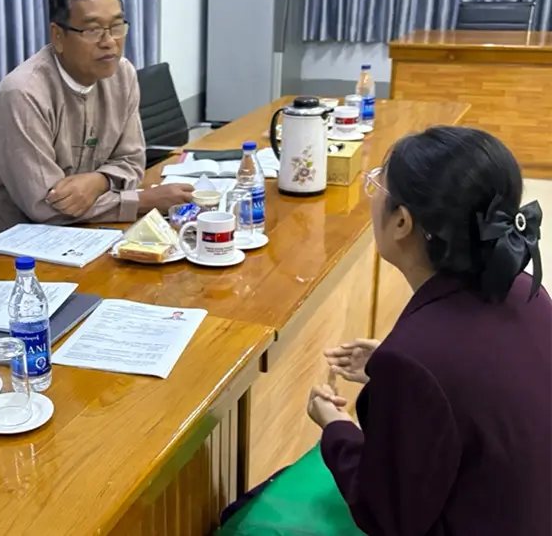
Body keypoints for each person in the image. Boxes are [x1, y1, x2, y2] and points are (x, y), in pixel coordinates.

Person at [223, 126, 550, 535]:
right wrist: (397, 373)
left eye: (378, 182)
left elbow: (386, 516)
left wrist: (335, 426)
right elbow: (476, 386)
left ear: (402, 222)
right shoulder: (524, 288)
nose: (372, 193)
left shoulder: (417, 359)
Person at [0, 0, 193, 237]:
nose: (109, 42)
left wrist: (98, 181)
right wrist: (143, 201)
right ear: (58, 36)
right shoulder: (24, 93)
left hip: (88, 231)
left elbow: (133, 161)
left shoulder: (122, 74)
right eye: (92, 30)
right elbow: (46, 207)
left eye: (116, 26)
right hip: (15, 247)